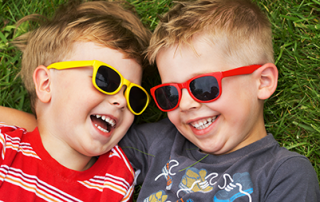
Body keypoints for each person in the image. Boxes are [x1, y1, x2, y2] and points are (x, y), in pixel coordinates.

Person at [1, 0, 320, 201]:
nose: (186, 104)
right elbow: (61, 135)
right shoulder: (160, 144)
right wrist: (36, 127)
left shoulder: (286, 172)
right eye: (170, 93)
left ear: (263, 82)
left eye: (204, 86)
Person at [0, 0, 151, 201]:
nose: (122, 102)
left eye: (134, 95)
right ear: (46, 84)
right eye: (106, 79)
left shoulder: (114, 184)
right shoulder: (5, 150)